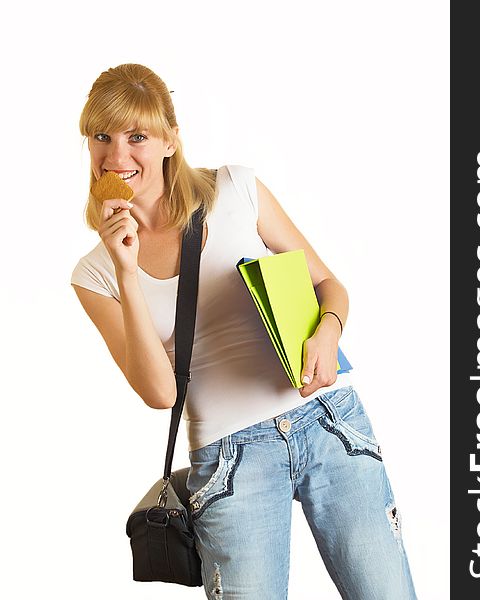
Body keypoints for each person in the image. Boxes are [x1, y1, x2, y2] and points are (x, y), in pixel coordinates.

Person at [70, 63, 417, 600]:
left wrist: (327, 333)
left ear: (169, 141)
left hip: (328, 423)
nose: (117, 155)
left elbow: (328, 284)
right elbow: (160, 393)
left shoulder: (235, 189)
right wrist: (126, 271)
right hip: (230, 458)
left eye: (136, 136)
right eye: (101, 137)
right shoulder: (94, 274)